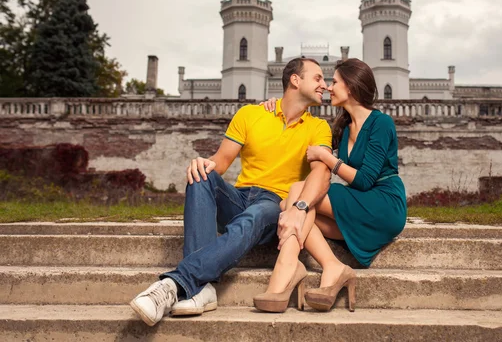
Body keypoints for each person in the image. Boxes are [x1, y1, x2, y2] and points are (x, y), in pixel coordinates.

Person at [129, 57, 333, 326]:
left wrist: (299, 208)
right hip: (240, 196)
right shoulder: (251, 114)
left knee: (257, 214)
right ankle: (202, 289)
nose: (324, 85)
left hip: (276, 205)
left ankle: (176, 285)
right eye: (318, 78)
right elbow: (221, 161)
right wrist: (203, 163)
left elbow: (321, 173)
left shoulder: (319, 128)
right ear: (296, 80)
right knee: (201, 176)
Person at [253, 58, 406, 313]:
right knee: (291, 206)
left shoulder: (381, 123)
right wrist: (273, 106)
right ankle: (333, 267)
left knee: (296, 197)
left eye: (334, 81)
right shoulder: (344, 128)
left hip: (384, 203)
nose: (328, 87)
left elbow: (365, 179)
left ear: (352, 86)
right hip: (359, 204)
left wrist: (327, 158)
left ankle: (286, 269)